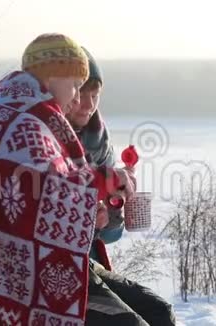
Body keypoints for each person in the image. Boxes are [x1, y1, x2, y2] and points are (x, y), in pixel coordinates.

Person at [0, 33, 135, 325]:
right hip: (20, 274)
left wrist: (96, 208)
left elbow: (29, 190)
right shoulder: (28, 115)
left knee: (153, 312)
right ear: (56, 74)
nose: (80, 99)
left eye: (90, 91)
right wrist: (105, 180)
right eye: (77, 86)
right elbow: (45, 183)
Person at [65, 47, 176, 326]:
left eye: (95, 95)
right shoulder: (45, 137)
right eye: (80, 94)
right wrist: (89, 215)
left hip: (86, 263)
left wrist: (113, 213)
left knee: (161, 312)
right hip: (56, 270)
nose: (88, 104)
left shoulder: (98, 141)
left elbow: (109, 236)